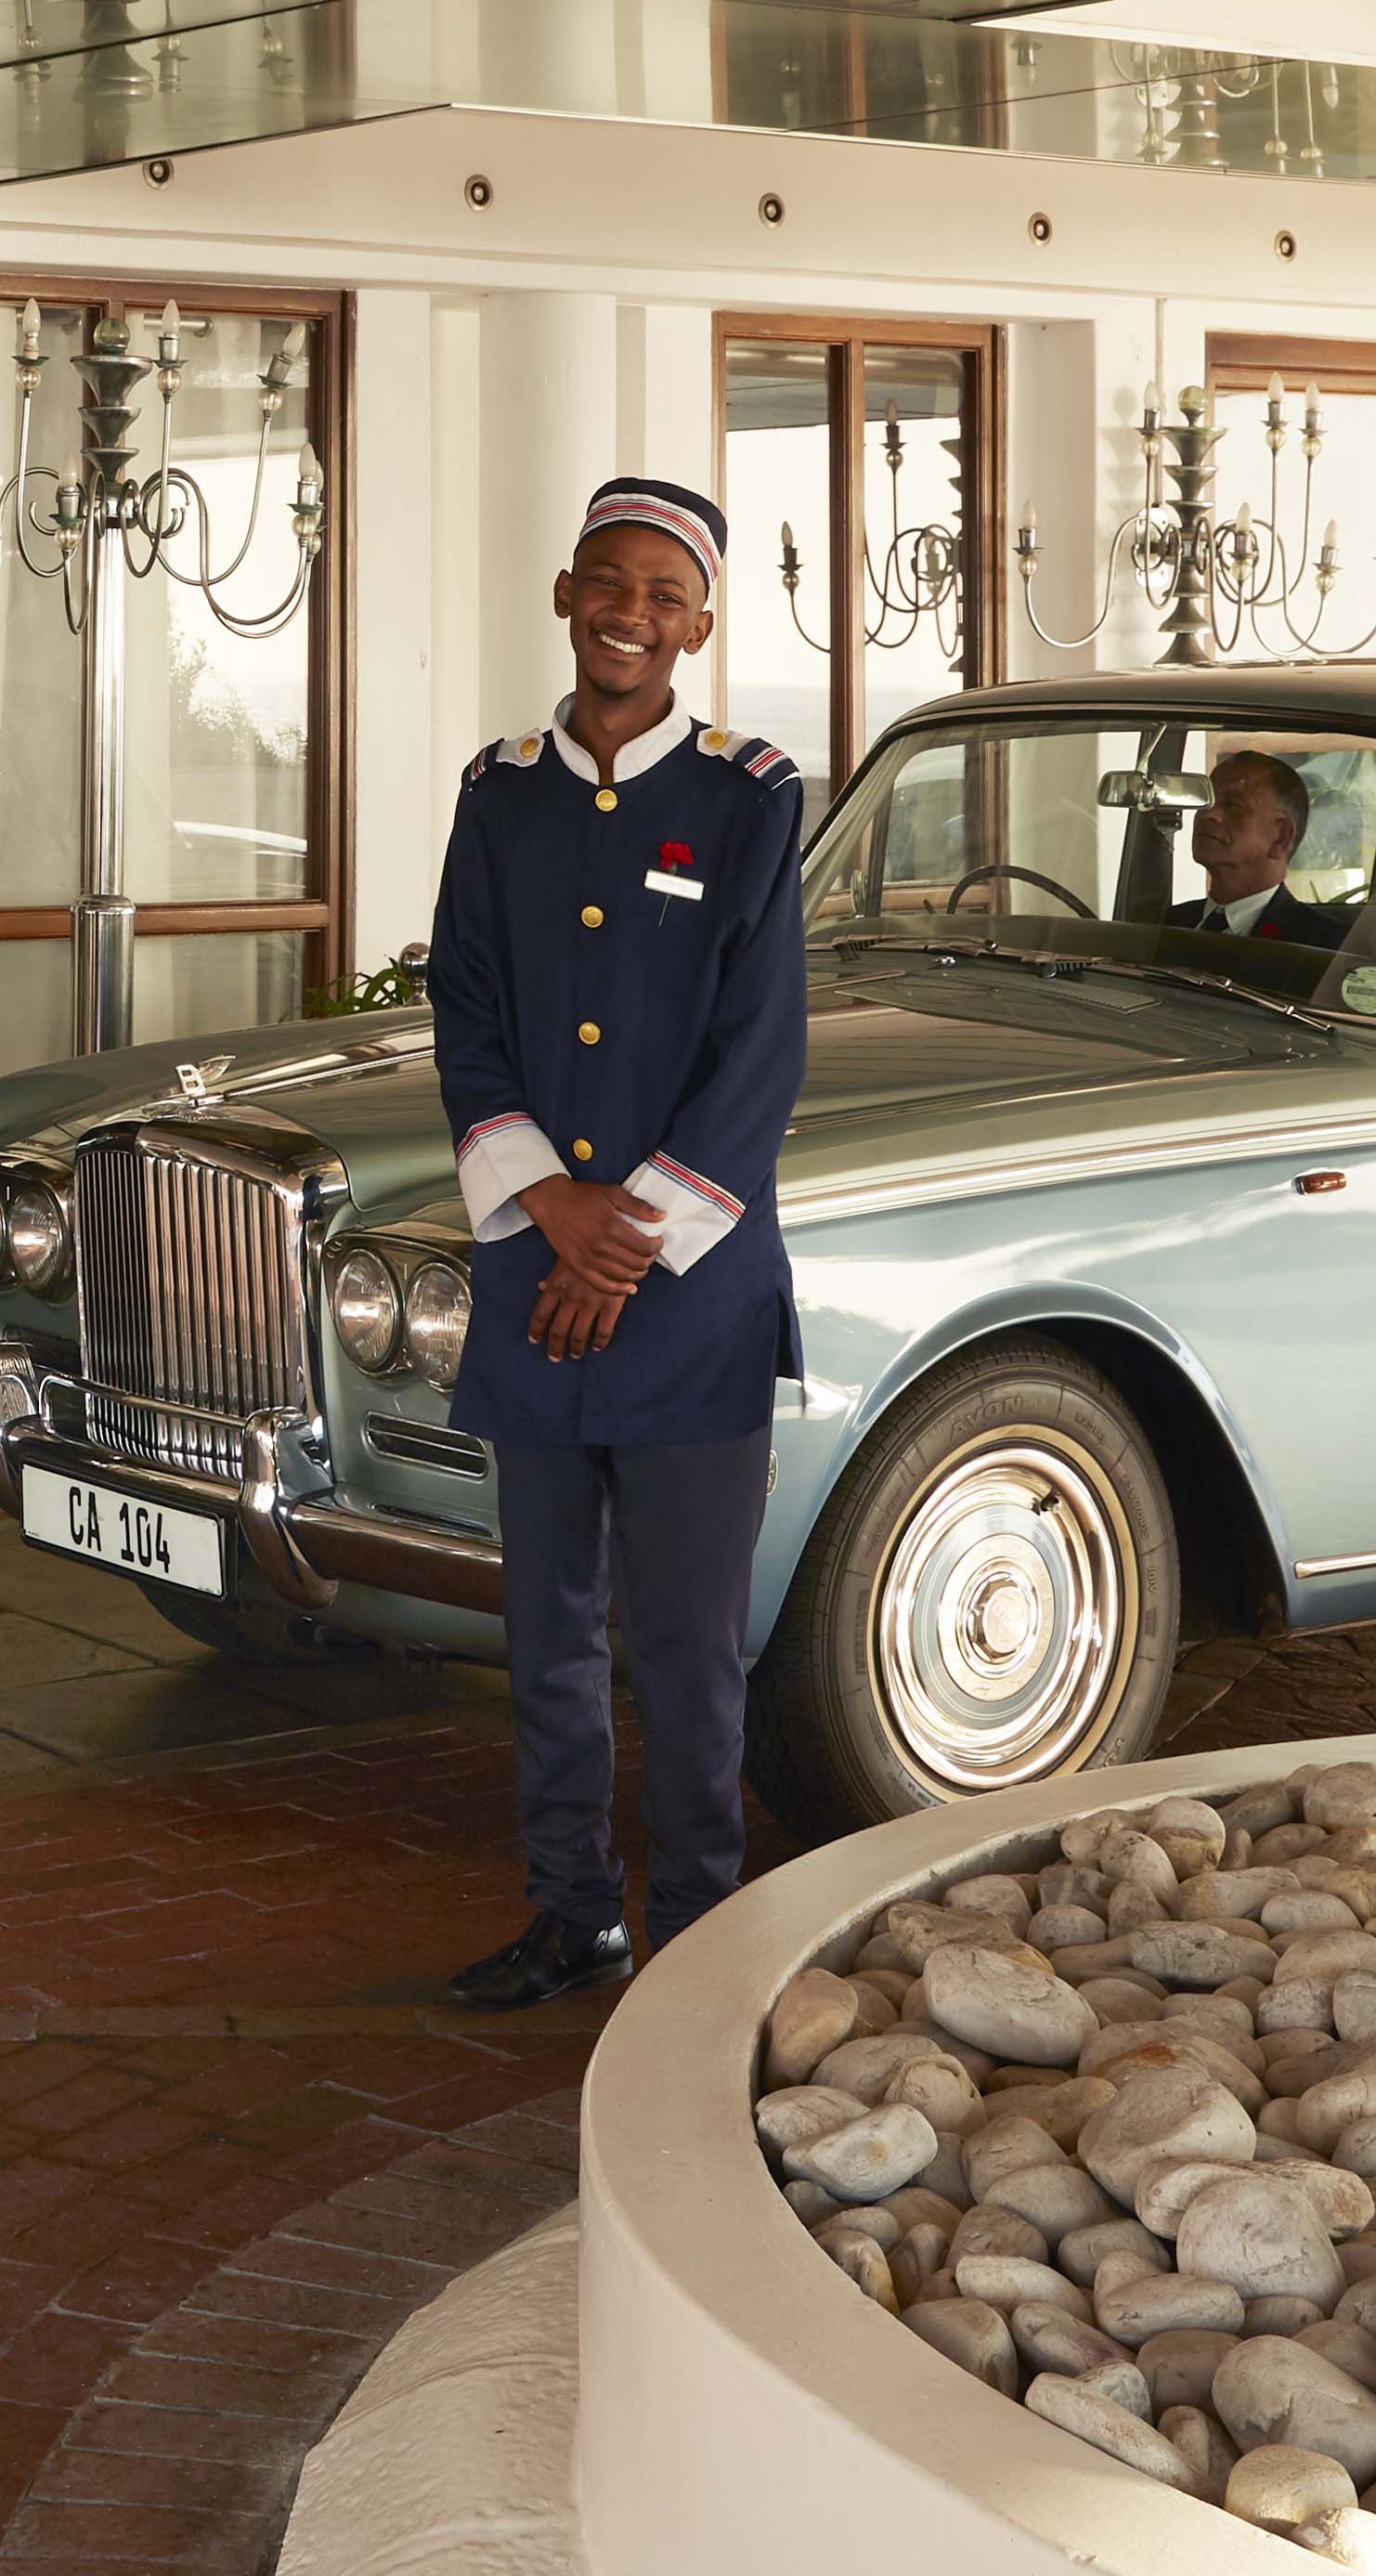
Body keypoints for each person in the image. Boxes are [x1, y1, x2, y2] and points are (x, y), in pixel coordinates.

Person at [430, 477, 810, 2012]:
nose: (628, 615)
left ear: (699, 626)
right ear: (565, 593)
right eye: (607, 583)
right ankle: (572, 1908)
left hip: (688, 1296)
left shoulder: (749, 797)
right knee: (544, 1636)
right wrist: (555, 1215)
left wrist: (627, 1242)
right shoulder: (501, 791)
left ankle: (702, 1943)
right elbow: (464, 1009)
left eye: (661, 594)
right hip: (539, 1269)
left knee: (686, 1649)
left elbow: (759, 1049)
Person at [1168, 750, 1350, 948]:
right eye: (1207, 800)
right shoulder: (1163, 926)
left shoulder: (1329, 947)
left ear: (1281, 837)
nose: (1207, 814)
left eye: (1232, 804)